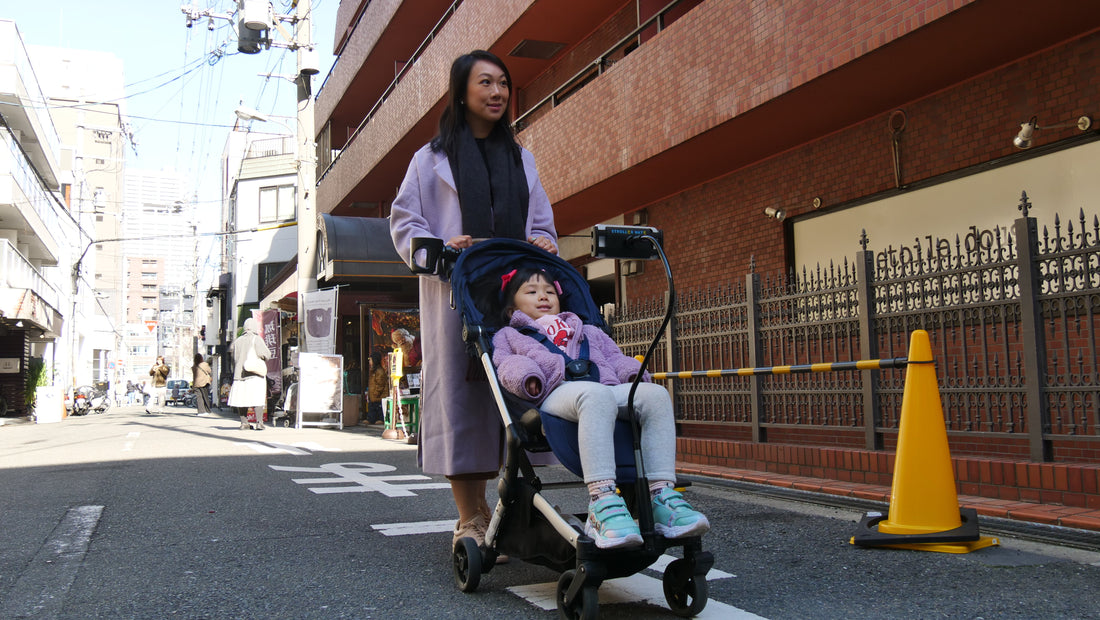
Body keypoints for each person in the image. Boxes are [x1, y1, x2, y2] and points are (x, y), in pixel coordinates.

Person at [390, 49, 558, 552]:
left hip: (516, 297)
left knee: (516, 395)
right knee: (464, 405)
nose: (498, 92)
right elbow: (405, 223)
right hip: (456, 293)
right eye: (486, 82)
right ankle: (469, 516)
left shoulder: (521, 159)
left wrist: (545, 243)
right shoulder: (430, 160)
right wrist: (442, 251)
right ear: (461, 92)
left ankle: (510, 504)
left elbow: (542, 225)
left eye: (504, 83)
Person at [491, 267, 710, 549]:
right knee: (595, 396)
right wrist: (528, 377)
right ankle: (602, 501)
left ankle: (661, 497)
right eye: (531, 292)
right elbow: (507, 363)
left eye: (549, 291)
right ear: (512, 309)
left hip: (604, 388)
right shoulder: (511, 335)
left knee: (654, 395)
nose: (543, 297)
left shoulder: (587, 331)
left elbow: (614, 358)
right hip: (555, 393)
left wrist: (632, 374)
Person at [229, 317, 272, 430]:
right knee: (257, 397)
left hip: (240, 374)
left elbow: (234, 358)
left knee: (241, 399)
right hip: (254, 374)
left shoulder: (237, 341)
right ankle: (259, 422)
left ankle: (244, 423)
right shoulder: (256, 339)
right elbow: (266, 354)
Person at [366, 351, 389, 424]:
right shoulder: (373, 371)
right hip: (373, 395)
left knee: (379, 407)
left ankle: (381, 419)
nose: (369, 361)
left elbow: (380, 385)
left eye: (370, 359)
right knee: (372, 407)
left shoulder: (379, 371)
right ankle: (371, 419)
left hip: (379, 395)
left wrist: (376, 393)